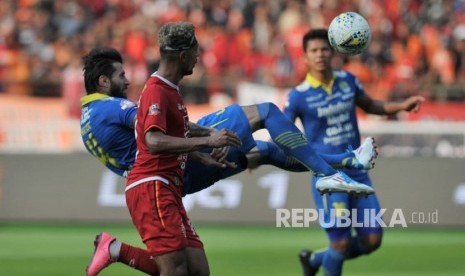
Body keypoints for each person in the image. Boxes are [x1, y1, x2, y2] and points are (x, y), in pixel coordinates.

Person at [80, 34, 377, 276]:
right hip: (160, 177)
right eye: (121, 76)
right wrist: (207, 139)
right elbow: (153, 136)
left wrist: (200, 153)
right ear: (103, 82)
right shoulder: (111, 107)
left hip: (170, 174)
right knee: (265, 112)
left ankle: (346, 162)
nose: (128, 81)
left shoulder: (87, 124)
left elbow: (149, 142)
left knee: (265, 151)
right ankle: (332, 171)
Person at [283, 28, 425, 276]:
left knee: (372, 240)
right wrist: (257, 157)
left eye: (324, 49)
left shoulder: (348, 81)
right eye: (313, 51)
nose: (320, 55)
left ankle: (315, 260)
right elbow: (282, 131)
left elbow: (370, 105)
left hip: (358, 173)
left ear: (333, 52)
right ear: (305, 57)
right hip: (328, 177)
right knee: (340, 243)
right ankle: (323, 261)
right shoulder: (298, 96)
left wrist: (401, 105)